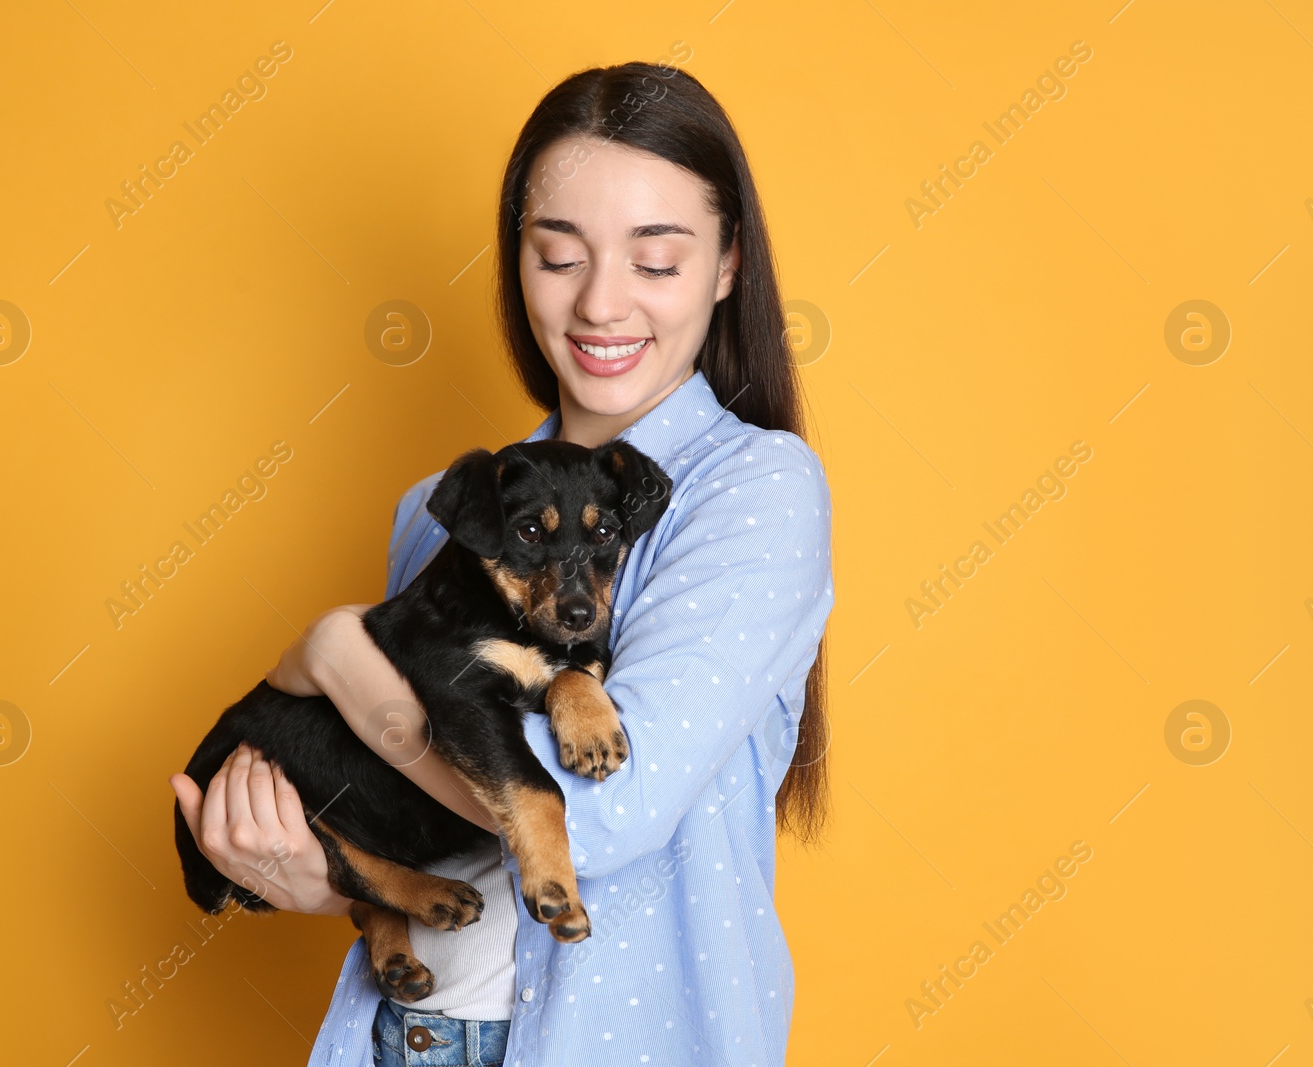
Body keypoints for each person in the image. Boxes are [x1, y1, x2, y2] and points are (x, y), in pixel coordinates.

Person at [171, 59, 834, 1067]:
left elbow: (604, 812)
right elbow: (419, 806)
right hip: (413, 1033)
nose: (602, 304)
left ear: (728, 263)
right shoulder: (436, 511)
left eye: (656, 261)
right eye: (557, 254)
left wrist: (336, 660)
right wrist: (329, 874)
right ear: (514, 259)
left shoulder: (755, 489)